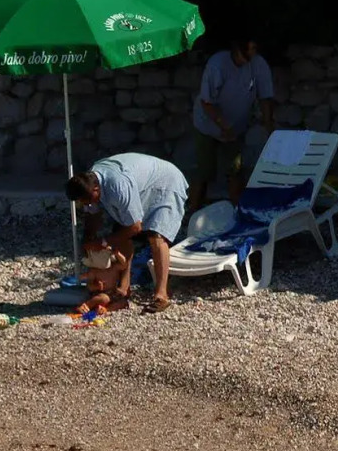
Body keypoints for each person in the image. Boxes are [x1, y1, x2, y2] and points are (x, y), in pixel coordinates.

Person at [65, 153, 189, 314]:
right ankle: (124, 288)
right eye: (81, 202)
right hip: (140, 184)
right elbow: (93, 214)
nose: (85, 204)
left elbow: (135, 227)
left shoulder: (118, 186)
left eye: (87, 200)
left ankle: (161, 294)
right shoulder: (88, 184)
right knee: (119, 232)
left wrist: (103, 242)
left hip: (166, 183)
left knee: (157, 236)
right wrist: (88, 239)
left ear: (96, 189)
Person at [190, 35, 276, 211]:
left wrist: (269, 124)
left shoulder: (258, 65)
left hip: (236, 126)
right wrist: (224, 126)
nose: (250, 56)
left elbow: (265, 97)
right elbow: (207, 102)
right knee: (205, 170)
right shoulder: (217, 65)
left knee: (235, 169)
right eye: (247, 51)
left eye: (254, 50)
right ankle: (192, 211)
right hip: (208, 124)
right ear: (236, 49)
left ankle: (238, 210)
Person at [74, 239, 129, 316]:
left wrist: (117, 253)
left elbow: (124, 264)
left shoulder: (113, 267)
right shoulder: (94, 271)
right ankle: (86, 305)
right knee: (103, 299)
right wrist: (96, 286)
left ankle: (106, 309)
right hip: (99, 293)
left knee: (123, 302)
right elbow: (89, 286)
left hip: (112, 292)